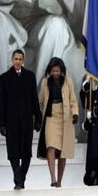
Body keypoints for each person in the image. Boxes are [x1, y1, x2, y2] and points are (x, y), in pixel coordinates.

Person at [0, 49, 42, 189]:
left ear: (23, 60)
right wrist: (2, 124)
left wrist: (38, 119)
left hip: (27, 122)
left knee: (27, 154)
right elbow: (1, 103)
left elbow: (35, 99)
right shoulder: (4, 78)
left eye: (20, 59)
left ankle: (20, 179)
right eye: (15, 59)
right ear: (12, 60)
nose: (17, 61)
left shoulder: (30, 76)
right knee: (13, 153)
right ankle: (19, 181)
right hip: (11, 122)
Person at [37, 57, 78, 187]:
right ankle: (53, 178)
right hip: (50, 117)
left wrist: (75, 113)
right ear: (50, 71)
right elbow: (41, 103)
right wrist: (38, 118)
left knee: (63, 152)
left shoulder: (67, 82)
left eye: (57, 71)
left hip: (64, 118)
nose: (55, 73)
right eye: (53, 71)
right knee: (50, 147)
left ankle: (59, 181)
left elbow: (73, 100)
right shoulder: (44, 82)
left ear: (61, 71)